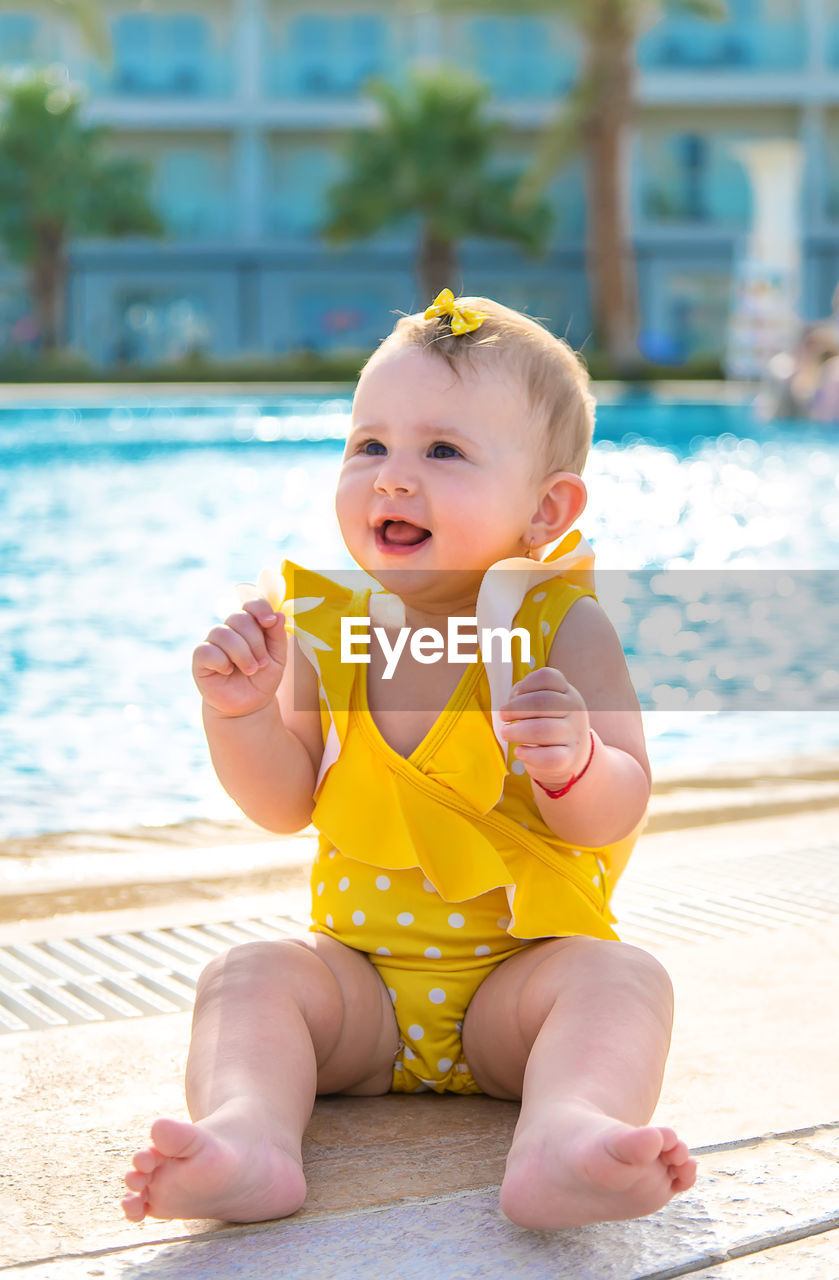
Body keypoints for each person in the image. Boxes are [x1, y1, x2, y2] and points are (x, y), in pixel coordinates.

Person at [122, 290, 696, 1231]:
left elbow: (616, 807)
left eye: (442, 451)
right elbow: (282, 802)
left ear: (545, 509)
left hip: (519, 989)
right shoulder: (327, 628)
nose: (390, 478)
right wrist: (236, 714)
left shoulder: (561, 628)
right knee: (249, 973)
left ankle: (564, 1136)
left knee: (623, 979)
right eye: (367, 446)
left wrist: (575, 763)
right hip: (360, 993)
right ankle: (247, 1138)